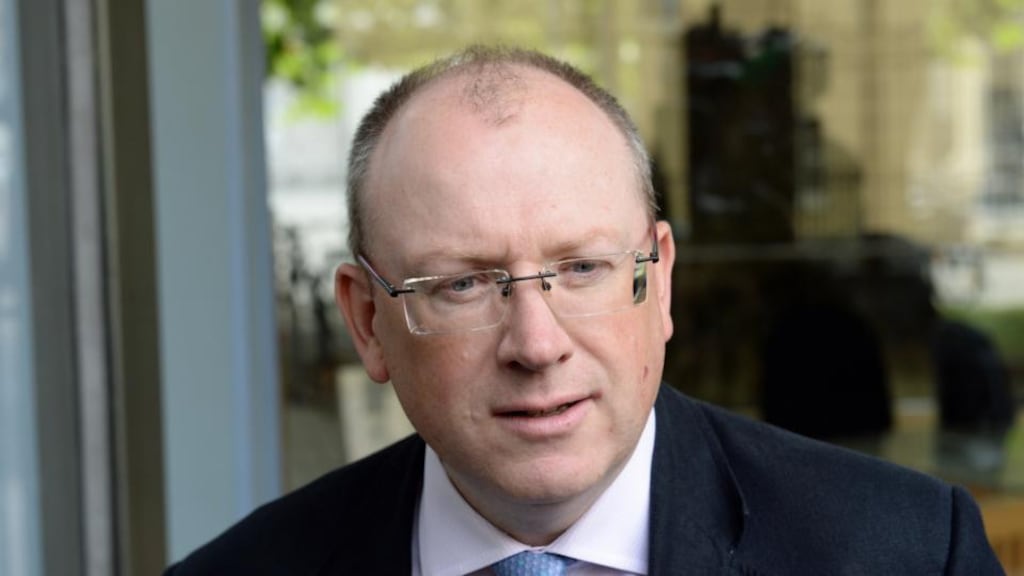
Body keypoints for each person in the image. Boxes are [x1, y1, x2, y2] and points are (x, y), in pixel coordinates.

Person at [166, 46, 1004, 575]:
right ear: (367, 321)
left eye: (583, 268)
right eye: (462, 284)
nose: (537, 344)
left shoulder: (907, 552)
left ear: (660, 281)